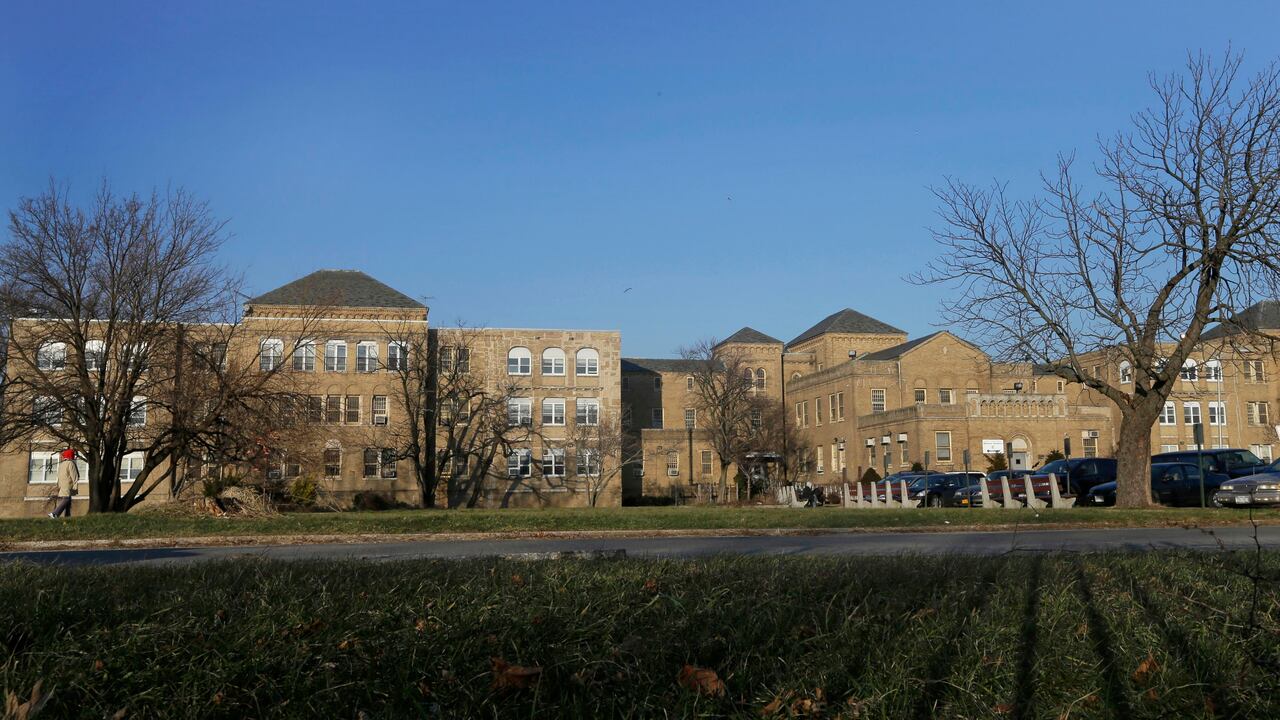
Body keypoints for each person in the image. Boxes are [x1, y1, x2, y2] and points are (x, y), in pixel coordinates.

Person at [48, 449, 79, 519]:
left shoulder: (61, 464)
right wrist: (75, 484)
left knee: (68, 501)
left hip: (62, 484)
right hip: (68, 484)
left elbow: (58, 475)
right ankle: (54, 513)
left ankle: (67, 517)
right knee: (66, 499)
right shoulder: (70, 463)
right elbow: (74, 475)